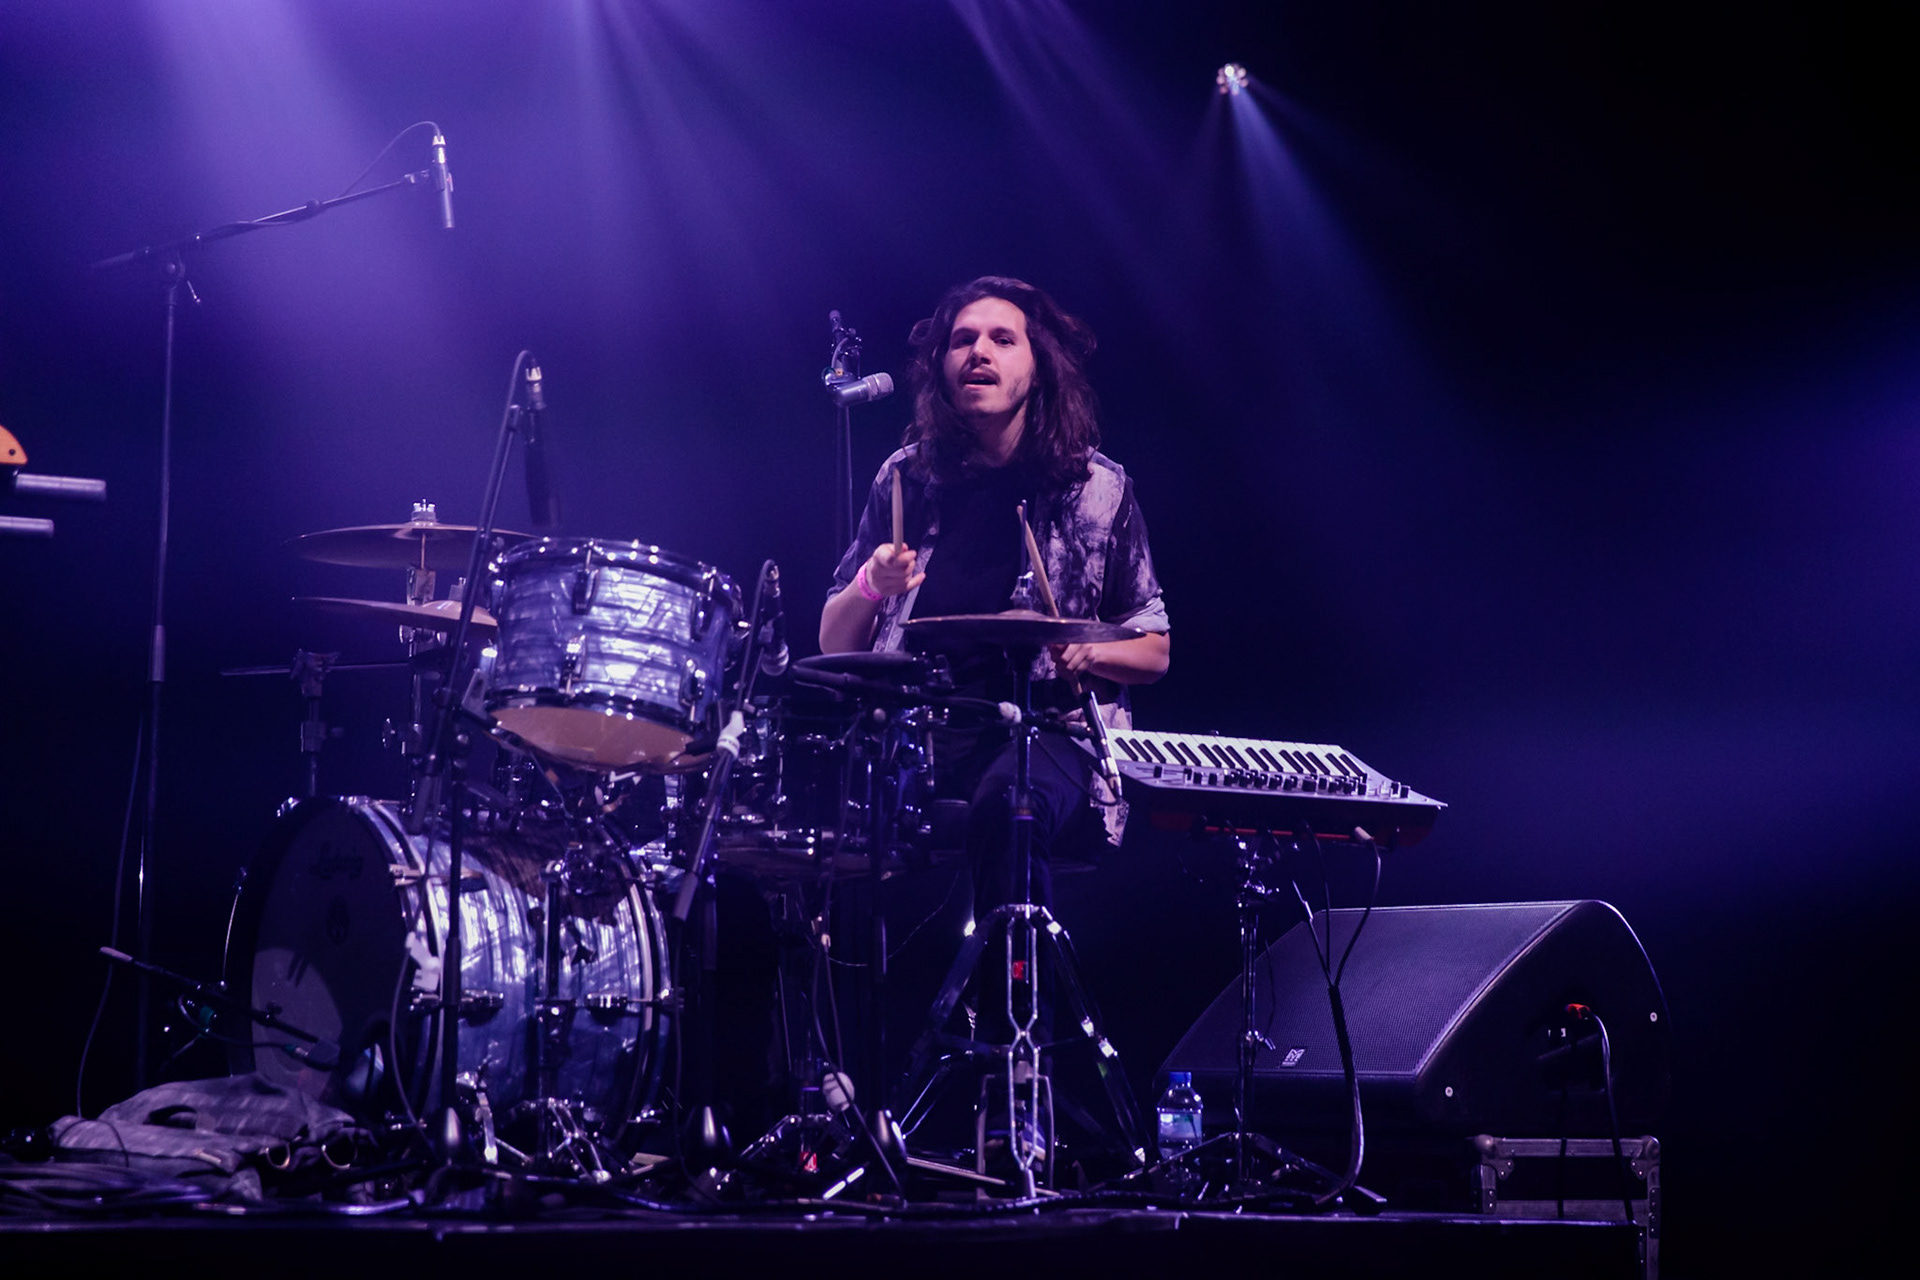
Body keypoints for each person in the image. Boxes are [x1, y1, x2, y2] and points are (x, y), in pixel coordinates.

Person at [820, 276, 1169, 920]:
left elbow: (1156, 649)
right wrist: (872, 582)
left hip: (1055, 735)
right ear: (942, 367)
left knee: (1009, 805)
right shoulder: (906, 478)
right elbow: (834, 642)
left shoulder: (1097, 489)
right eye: (962, 340)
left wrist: (1091, 654)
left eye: (1002, 339)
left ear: (1038, 368)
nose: (978, 351)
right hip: (922, 736)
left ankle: (1015, 985)